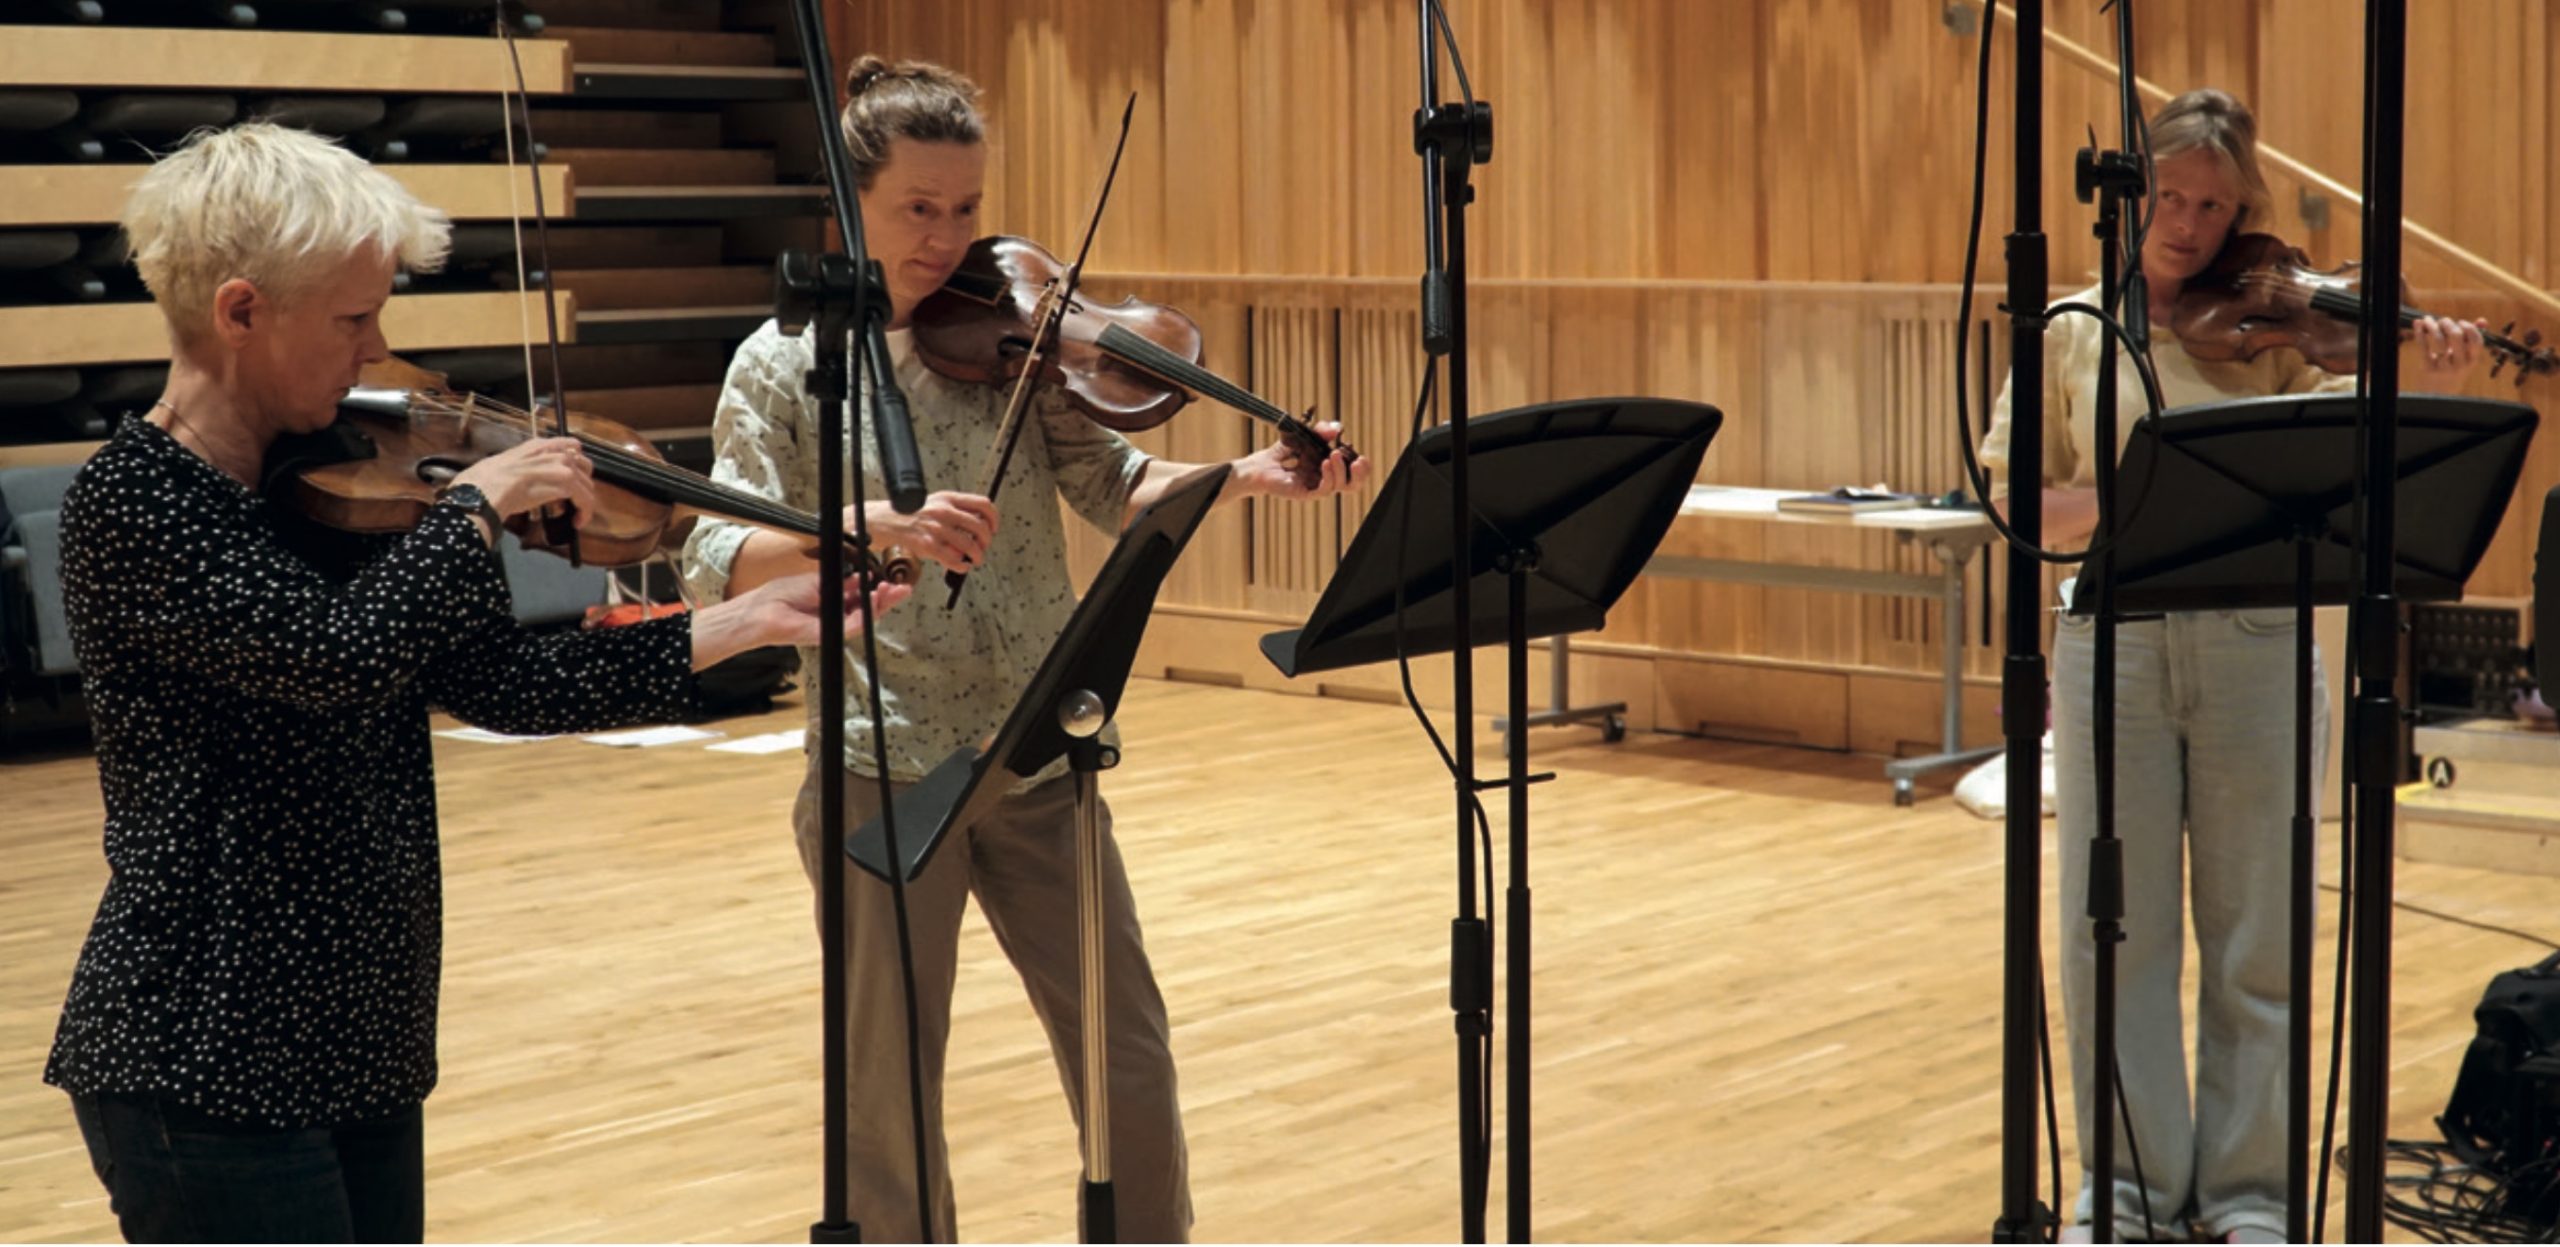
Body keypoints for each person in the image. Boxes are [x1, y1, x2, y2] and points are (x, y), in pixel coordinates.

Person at [41, 121, 908, 1244]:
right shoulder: (137, 502)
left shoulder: (342, 488)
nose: (377, 349)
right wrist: (474, 506)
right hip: (205, 1048)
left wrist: (742, 620)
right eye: (353, 319)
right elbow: (333, 656)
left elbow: (506, 684)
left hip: (360, 1030)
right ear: (241, 312)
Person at [679, 56, 1365, 1243]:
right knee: (888, 1086)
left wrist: (1248, 471)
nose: (948, 240)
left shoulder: (1017, 346)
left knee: (1126, 1047)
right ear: (849, 202)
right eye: (917, 208)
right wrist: (866, 524)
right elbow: (714, 555)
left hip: (1043, 742)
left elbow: (1117, 483)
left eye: (965, 208)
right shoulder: (782, 364)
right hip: (882, 763)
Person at [1981, 88, 2484, 1243]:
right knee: (2113, 933)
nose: (2189, 224)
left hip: (2256, 646)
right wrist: (2138, 495)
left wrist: (2432, 376)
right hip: (2113, 646)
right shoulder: (2071, 327)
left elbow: (2354, 447)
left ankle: (2252, 1197)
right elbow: (2017, 500)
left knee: (2259, 935)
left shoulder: (2272, 325)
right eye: (2171, 196)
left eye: (2214, 206)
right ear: (2132, 193)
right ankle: (2126, 1193)